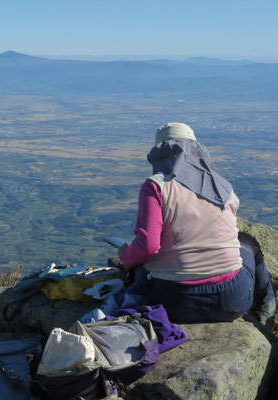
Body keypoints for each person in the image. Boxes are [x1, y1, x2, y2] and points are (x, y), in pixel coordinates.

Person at [117, 122, 275, 324]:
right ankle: (266, 304)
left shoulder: (156, 185)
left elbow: (148, 245)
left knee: (140, 270)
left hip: (174, 302)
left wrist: (126, 257)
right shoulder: (222, 186)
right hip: (233, 300)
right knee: (248, 242)